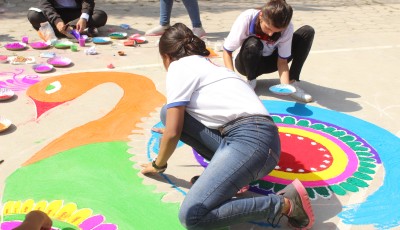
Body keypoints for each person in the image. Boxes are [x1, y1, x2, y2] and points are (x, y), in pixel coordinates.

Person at [141, 23, 315, 230]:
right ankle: (233, 179)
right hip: (259, 141)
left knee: (192, 216)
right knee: (166, 113)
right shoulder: (210, 66)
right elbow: (179, 122)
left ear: (167, 57)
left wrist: (158, 164)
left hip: (252, 144)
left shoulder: (179, 67)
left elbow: (173, 131)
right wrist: (173, 128)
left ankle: (284, 204)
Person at [223, 0, 315, 103]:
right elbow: (227, 51)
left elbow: (282, 62)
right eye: (268, 28)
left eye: (276, 31)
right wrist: (232, 80)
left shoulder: (287, 27)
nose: (270, 34)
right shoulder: (246, 18)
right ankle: (251, 80)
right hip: (247, 63)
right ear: (261, 15)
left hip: (271, 62)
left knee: (307, 32)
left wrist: (285, 86)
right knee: (253, 43)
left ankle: (292, 83)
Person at [27, 0, 108, 38]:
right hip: (56, 13)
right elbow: (45, 4)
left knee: (100, 15)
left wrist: (83, 18)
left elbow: (88, 1)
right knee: (33, 15)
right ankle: (77, 31)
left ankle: (67, 29)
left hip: (76, 14)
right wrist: (57, 20)